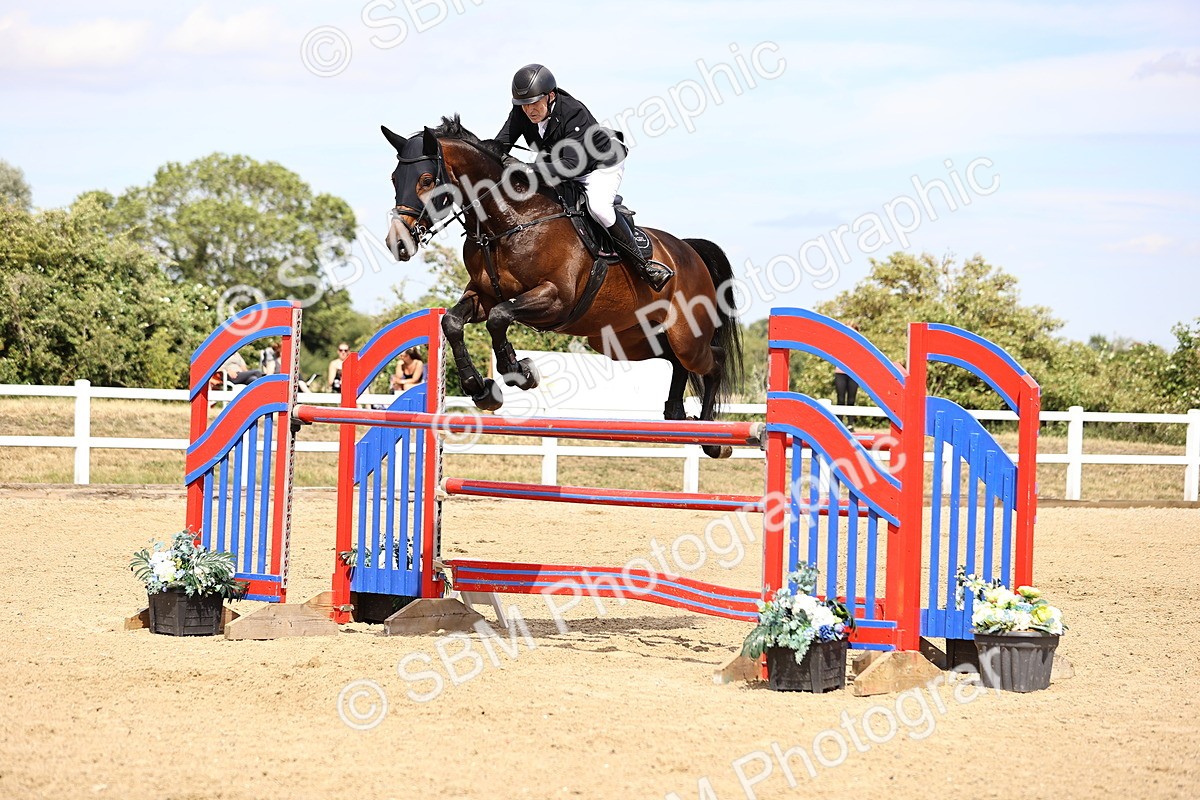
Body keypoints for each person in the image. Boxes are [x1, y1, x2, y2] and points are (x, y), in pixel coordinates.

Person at [492, 63, 674, 291]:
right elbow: (499, 146)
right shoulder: (522, 112)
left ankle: (644, 265)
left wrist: (526, 169)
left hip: (599, 165)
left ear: (550, 96)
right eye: (523, 105)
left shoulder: (573, 113)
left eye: (534, 103)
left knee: (599, 207)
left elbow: (570, 166)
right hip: (562, 165)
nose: (529, 110)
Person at [833, 323, 860, 431]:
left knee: (851, 399)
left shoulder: (859, 344)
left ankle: (850, 424)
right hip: (840, 373)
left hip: (853, 373)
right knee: (840, 398)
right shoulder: (840, 342)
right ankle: (839, 423)